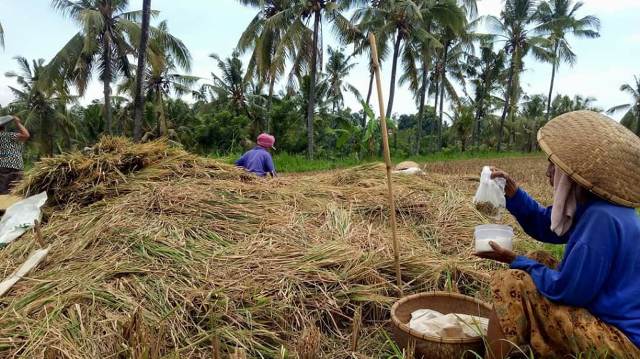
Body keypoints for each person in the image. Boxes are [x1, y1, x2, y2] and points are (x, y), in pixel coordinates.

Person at [477, 110, 640, 359]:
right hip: (613, 319)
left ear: (571, 175)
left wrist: (515, 261)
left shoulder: (600, 220)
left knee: (511, 282)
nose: (548, 173)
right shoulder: (600, 208)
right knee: (539, 258)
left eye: (553, 167)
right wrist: (514, 194)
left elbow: (570, 292)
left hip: (619, 342)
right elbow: (547, 225)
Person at [0, 115, 30, 194]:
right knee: (17, 191)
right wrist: (18, 123)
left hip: (2, 167)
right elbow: (26, 135)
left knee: (3, 192)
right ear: (4, 128)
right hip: (15, 166)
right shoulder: (9, 135)